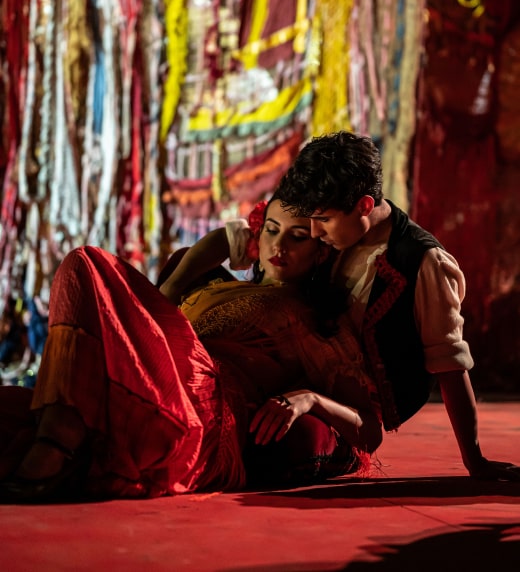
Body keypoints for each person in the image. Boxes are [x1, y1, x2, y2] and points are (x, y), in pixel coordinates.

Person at [0, 196, 382, 503]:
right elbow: (185, 271)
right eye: (271, 230)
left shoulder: (315, 321)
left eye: (298, 236)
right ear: (256, 235)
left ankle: (59, 437)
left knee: (87, 262)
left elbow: (369, 432)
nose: (279, 245)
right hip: (161, 379)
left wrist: (311, 399)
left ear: (320, 251)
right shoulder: (214, 285)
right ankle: (68, 441)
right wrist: (180, 281)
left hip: (205, 408)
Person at [274, 130, 520, 482]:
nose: (313, 232)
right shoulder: (332, 235)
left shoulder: (423, 262)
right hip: (287, 378)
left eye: (323, 220)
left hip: (348, 415)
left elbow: (450, 365)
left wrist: (475, 461)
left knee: (279, 442)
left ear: (364, 206)